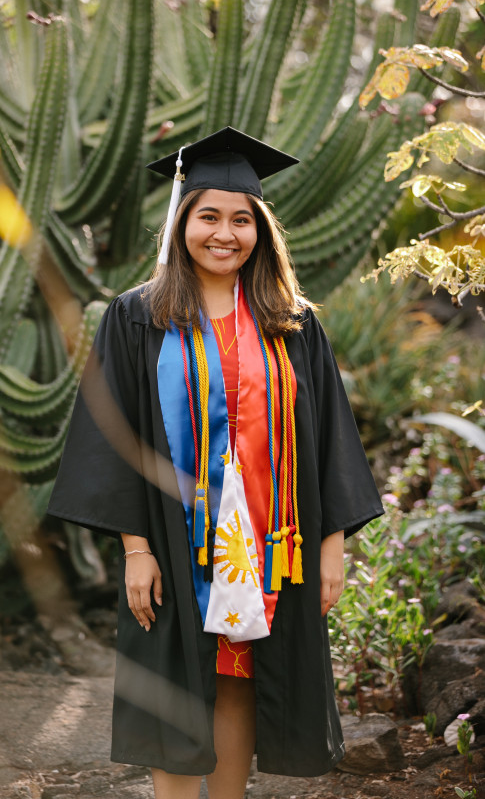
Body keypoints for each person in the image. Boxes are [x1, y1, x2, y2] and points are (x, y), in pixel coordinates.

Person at [48, 127, 384, 799]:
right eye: (208, 216)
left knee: (240, 676)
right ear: (181, 223)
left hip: (270, 538)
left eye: (241, 219)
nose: (224, 233)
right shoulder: (138, 317)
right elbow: (111, 436)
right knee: (175, 685)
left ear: (260, 228)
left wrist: (331, 546)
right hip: (177, 536)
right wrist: (136, 549)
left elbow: (328, 439)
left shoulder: (291, 322)